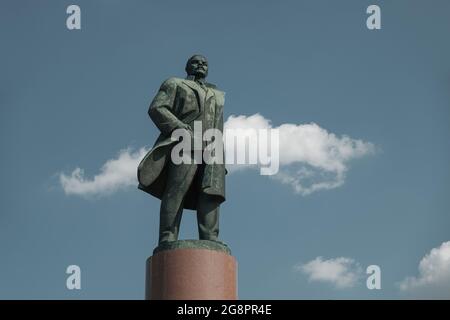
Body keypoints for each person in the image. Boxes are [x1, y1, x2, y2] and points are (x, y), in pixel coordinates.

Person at [137, 55, 226, 245]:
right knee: (177, 189)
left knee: (211, 193)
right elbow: (157, 108)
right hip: (185, 142)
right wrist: (178, 127)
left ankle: (211, 238)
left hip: (212, 146)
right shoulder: (174, 84)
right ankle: (167, 237)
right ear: (186, 67)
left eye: (205, 63)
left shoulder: (216, 93)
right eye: (195, 61)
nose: (200, 64)